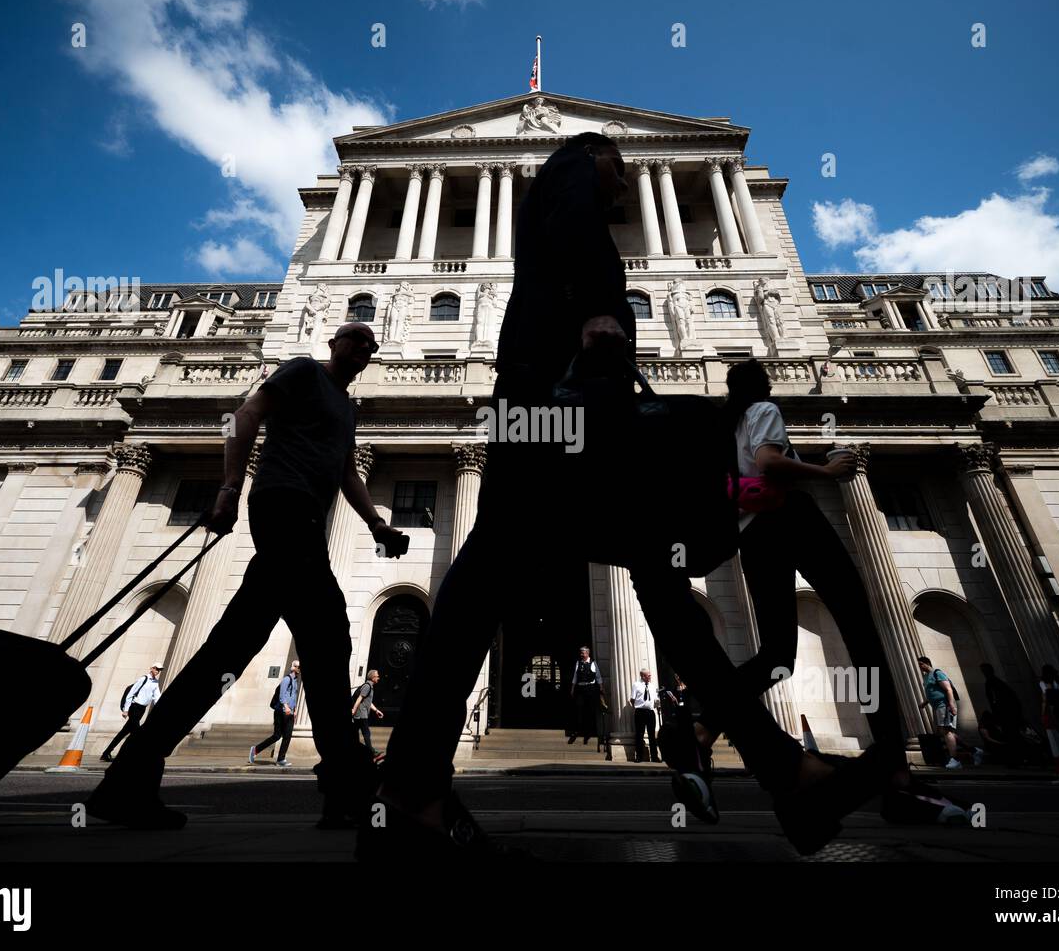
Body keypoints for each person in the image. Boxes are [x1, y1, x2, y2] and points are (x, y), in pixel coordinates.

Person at [363, 133, 907, 860]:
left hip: (536, 406)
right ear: (593, 160)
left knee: (602, 573)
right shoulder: (570, 181)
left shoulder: (558, 222)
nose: (622, 187)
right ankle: (787, 769)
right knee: (553, 568)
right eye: (618, 171)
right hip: (567, 406)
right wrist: (601, 310)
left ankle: (782, 769)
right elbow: (579, 224)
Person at [86, 322, 408, 830]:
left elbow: (347, 474)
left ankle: (129, 778)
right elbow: (244, 416)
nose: (364, 346)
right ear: (333, 343)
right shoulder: (302, 371)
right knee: (323, 642)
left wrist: (376, 524)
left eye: (371, 344)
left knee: (243, 648)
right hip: (281, 507)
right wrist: (229, 488)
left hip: (307, 520)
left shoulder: (348, 409)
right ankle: (347, 787)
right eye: (355, 336)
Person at [685, 358, 963, 825]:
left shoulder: (723, 429)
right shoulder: (763, 411)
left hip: (752, 536)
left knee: (777, 653)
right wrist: (828, 470)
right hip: (793, 518)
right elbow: (770, 462)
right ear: (764, 384)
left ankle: (701, 726)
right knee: (861, 629)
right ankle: (898, 778)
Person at [100, 663, 162, 763]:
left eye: (159, 670)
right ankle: (135, 756)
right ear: (151, 668)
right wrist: (126, 709)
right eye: (156, 669)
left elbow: (157, 697)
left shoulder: (155, 682)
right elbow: (131, 694)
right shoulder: (143, 679)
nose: (158, 671)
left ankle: (106, 753)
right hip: (134, 708)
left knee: (123, 732)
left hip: (142, 709)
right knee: (137, 733)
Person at [250, 661, 301, 767]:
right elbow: (282, 695)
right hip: (281, 712)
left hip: (290, 712)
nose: (299, 669)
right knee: (277, 736)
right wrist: (286, 706)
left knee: (287, 736)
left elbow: (293, 696)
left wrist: (294, 710)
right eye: (298, 667)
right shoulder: (287, 679)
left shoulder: (296, 681)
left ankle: (281, 759)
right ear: (293, 667)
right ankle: (255, 749)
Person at [917, 658, 964, 770]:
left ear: (927, 663)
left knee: (946, 731)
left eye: (921, 664)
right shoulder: (927, 677)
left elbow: (948, 689)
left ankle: (955, 760)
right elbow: (932, 692)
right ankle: (974, 750)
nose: (920, 667)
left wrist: (951, 705)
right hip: (937, 707)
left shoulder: (937, 673)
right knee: (946, 732)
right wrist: (925, 702)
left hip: (944, 705)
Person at [569, 647, 603, 747]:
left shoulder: (593, 663)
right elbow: (575, 676)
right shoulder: (578, 663)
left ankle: (588, 733)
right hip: (580, 688)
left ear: (588, 653)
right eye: (581, 653)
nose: (581, 655)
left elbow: (598, 676)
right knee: (579, 709)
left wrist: (601, 687)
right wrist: (572, 688)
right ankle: (578, 730)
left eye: (583, 653)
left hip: (590, 688)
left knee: (590, 710)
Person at [351, 670, 384, 757]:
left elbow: (368, 702)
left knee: (356, 732)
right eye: (377, 676)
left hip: (361, 714)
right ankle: (371, 752)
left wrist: (376, 710)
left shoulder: (370, 686)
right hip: (361, 714)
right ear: (373, 678)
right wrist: (354, 710)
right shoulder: (367, 686)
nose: (378, 678)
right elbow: (360, 698)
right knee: (366, 733)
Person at [630, 669, 660, 763]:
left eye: (650, 675)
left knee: (652, 735)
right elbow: (632, 699)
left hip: (650, 712)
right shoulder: (636, 685)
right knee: (639, 734)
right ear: (643, 676)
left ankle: (654, 757)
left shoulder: (652, 686)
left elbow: (655, 699)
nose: (650, 677)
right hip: (640, 712)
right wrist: (638, 707)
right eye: (648, 675)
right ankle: (639, 756)